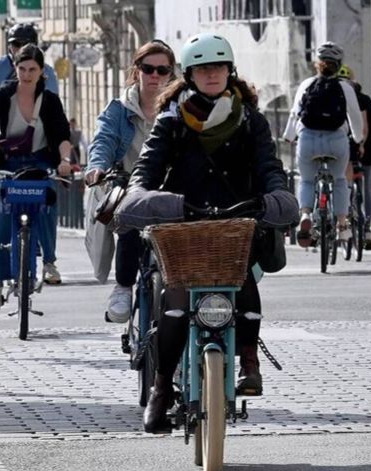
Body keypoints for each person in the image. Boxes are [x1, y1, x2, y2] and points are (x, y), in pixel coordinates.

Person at [114, 33, 299, 433]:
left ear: (229, 71)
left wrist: (275, 196)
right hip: (185, 221)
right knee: (175, 300)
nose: (211, 74)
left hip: (238, 219)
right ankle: (162, 389)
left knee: (244, 282)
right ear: (190, 74)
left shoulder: (251, 119)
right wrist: (142, 194)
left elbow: (269, 166)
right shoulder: (172, 119)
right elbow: (147, 167)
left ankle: (249, 361)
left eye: (218, 67)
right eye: (203, 68)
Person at [0, 44, 73, 313]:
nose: (27, 74)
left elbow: (63, 135)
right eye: (22, 69)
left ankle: (49, 261)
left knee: (47, 207)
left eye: (32, 69)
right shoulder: (3, 94)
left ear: (42, 71)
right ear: (15, 69)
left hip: (40, 162)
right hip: (6, 164)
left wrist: (64, 161)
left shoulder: (50, 100)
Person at [84, 39, 176, 321]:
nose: (155, 76)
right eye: (149, 69)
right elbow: (104, 140)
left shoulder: (181, 106)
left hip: (170, 186)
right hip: (129, 185)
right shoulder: (119, 109)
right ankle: (123, 287)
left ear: (172, 73)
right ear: (137, 71)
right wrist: (97, 166)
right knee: (129, 219)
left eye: (163, 70)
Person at [283, 42, 363, 248]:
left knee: (308, 180)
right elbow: (354, 115)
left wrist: (289, 136)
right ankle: (342, 224)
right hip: (336, 140)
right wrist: (357, 139)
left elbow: (295, 112)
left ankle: (306, 214)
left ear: (317, 64)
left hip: (308, 139)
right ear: (338, 64)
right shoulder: (345, 86)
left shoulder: (307, 84)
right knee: (338, 180)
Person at [337, 64, 371, 249]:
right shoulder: (363, 98)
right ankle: (367, 231)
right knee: (365, 193)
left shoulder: (338, 98)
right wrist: (364, 143)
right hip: (368, 151)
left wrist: (359, 143)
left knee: (343, 186)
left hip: (347, 149)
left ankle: (342, 223)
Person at [0, 22, 60, 122]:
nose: (21, 49)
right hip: (1, 128)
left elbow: (53, 106)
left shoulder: (48, 71)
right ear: (9, 46)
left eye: (26, 44)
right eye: (16, 44)